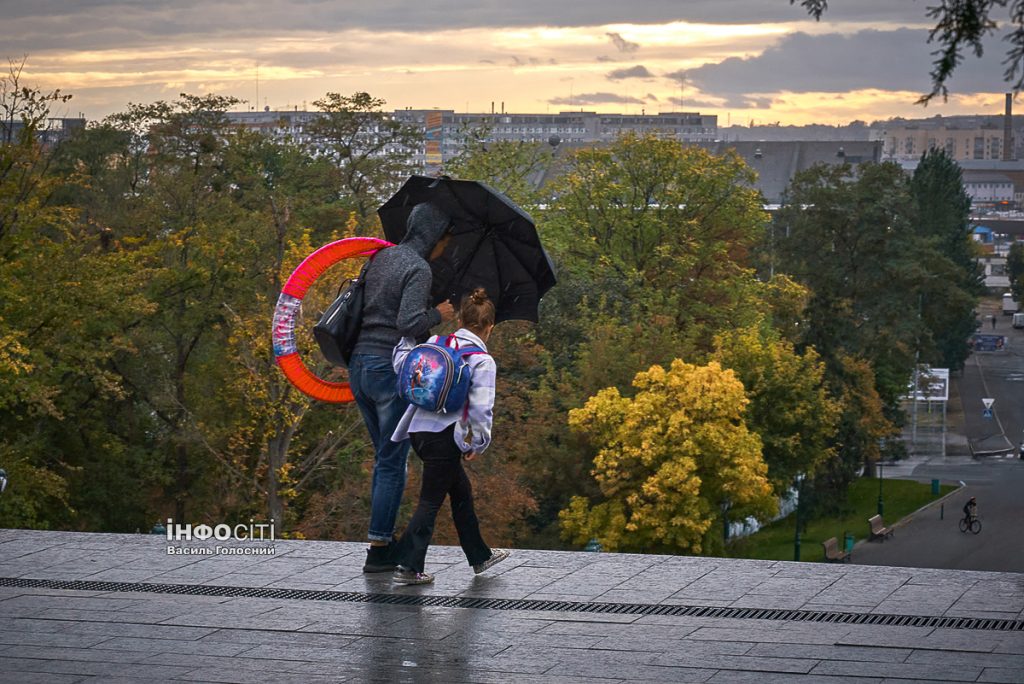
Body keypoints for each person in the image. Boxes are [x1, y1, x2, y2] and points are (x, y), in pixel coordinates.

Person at [349, 202, 456, 573]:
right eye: (445, 240)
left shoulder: (381, 258)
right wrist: (438, 315)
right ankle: (379, 548)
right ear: (434, 237)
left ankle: (383, 541)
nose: (444, 248)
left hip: (359, 366)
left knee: (384, 457)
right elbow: (409, 323)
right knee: (392, 461)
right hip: (388, 370)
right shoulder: (417, 267)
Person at [388, 288, 510, 585]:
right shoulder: (482, 361)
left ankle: (480, 556)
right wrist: (478, 442)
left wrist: (405, 338)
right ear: (490, 327)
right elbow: (481, 409)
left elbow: (402, 365)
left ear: (459, 319)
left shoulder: (435, 342)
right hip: (445, 437)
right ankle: (407, 566)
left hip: (417, 430)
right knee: (430, 502)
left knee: (461, 491)